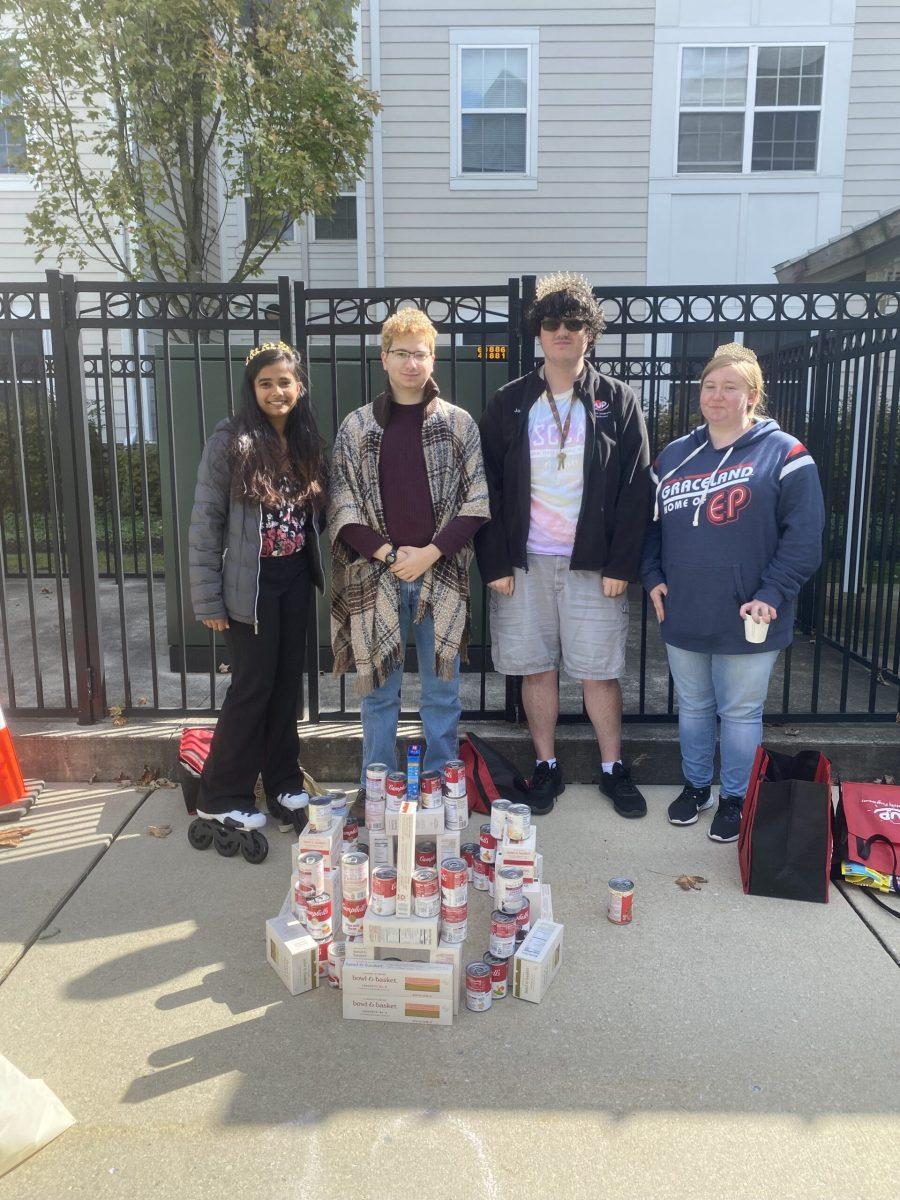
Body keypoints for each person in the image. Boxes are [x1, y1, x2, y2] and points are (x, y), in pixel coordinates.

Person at [476, 272, 652, 817]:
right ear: (539, 333)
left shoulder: (616, 400)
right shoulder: (510, 402)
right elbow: (485, 486)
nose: (562, 332)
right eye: (551, 323)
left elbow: (636, 486)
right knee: (536, 668)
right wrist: (495, 560)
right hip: (524, 563)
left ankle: (611, 768)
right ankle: (546, 766)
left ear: (589, 333)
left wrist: (621, 562)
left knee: (598, 669)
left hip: (593, 564)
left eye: (574, 323)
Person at [641, 342, 825, 843]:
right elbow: (649, 528)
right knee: (695, 707)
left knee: (740, 712)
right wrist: (652, 574)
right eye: (709, 386)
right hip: (684, 610)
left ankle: (736, 797)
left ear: (752, 395)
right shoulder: (675, 456)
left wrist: (773, 592)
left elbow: (804, 539)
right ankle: (697, 787)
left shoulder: (785, 454)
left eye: (730, 387)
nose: (717, 396)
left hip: (751, 614)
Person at [328, 308, 490, 796]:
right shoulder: (356, 427)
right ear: (384, 358)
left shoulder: (459, 425)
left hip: (440, 579)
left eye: (420, 354)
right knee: (379, 694)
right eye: (402, 353)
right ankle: (375, 787)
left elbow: (478, 501)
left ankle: (442, 788)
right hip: (376, 579)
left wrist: (431, 553)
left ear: (432, 358)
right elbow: (341, 502)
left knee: (442, 694)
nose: (412, 363)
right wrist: (385, 552)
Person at [188, 340, 327, 844]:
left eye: (284, 382)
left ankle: (284, 782)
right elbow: (206, 523)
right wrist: (208, 600)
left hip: (293, 578)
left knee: (285, 685)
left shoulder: (306, 439)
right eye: (265, 383)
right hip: (249, 587)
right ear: (252, 389)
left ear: (299, 386)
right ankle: (220, 795)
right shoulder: (229, 441)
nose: (276, 391)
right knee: (252, 688)